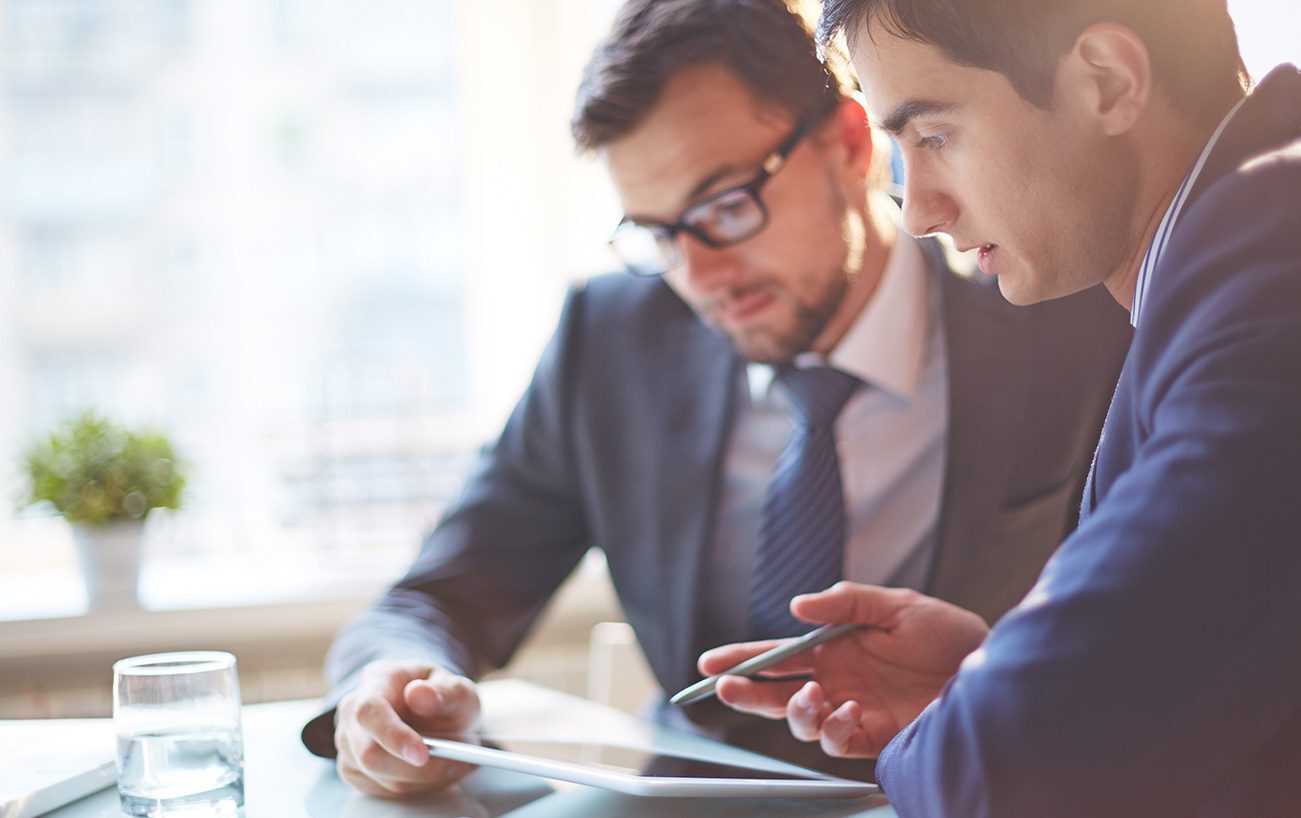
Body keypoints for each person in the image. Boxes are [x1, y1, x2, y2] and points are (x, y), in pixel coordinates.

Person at [300, 0, 1132, 798]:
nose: (698, 278)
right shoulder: (611, 340)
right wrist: (388, 683)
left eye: (726, 207)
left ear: (850, 145)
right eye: (659, 233)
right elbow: (437, 594)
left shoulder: (1068, 327)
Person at [702, 1, 1301, 815]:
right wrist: (987, 675)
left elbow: (1001, 762)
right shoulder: (1223, 260)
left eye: (933, 136)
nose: (917, 212)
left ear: (1107, 82)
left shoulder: (1267, 285)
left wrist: (984, 713)